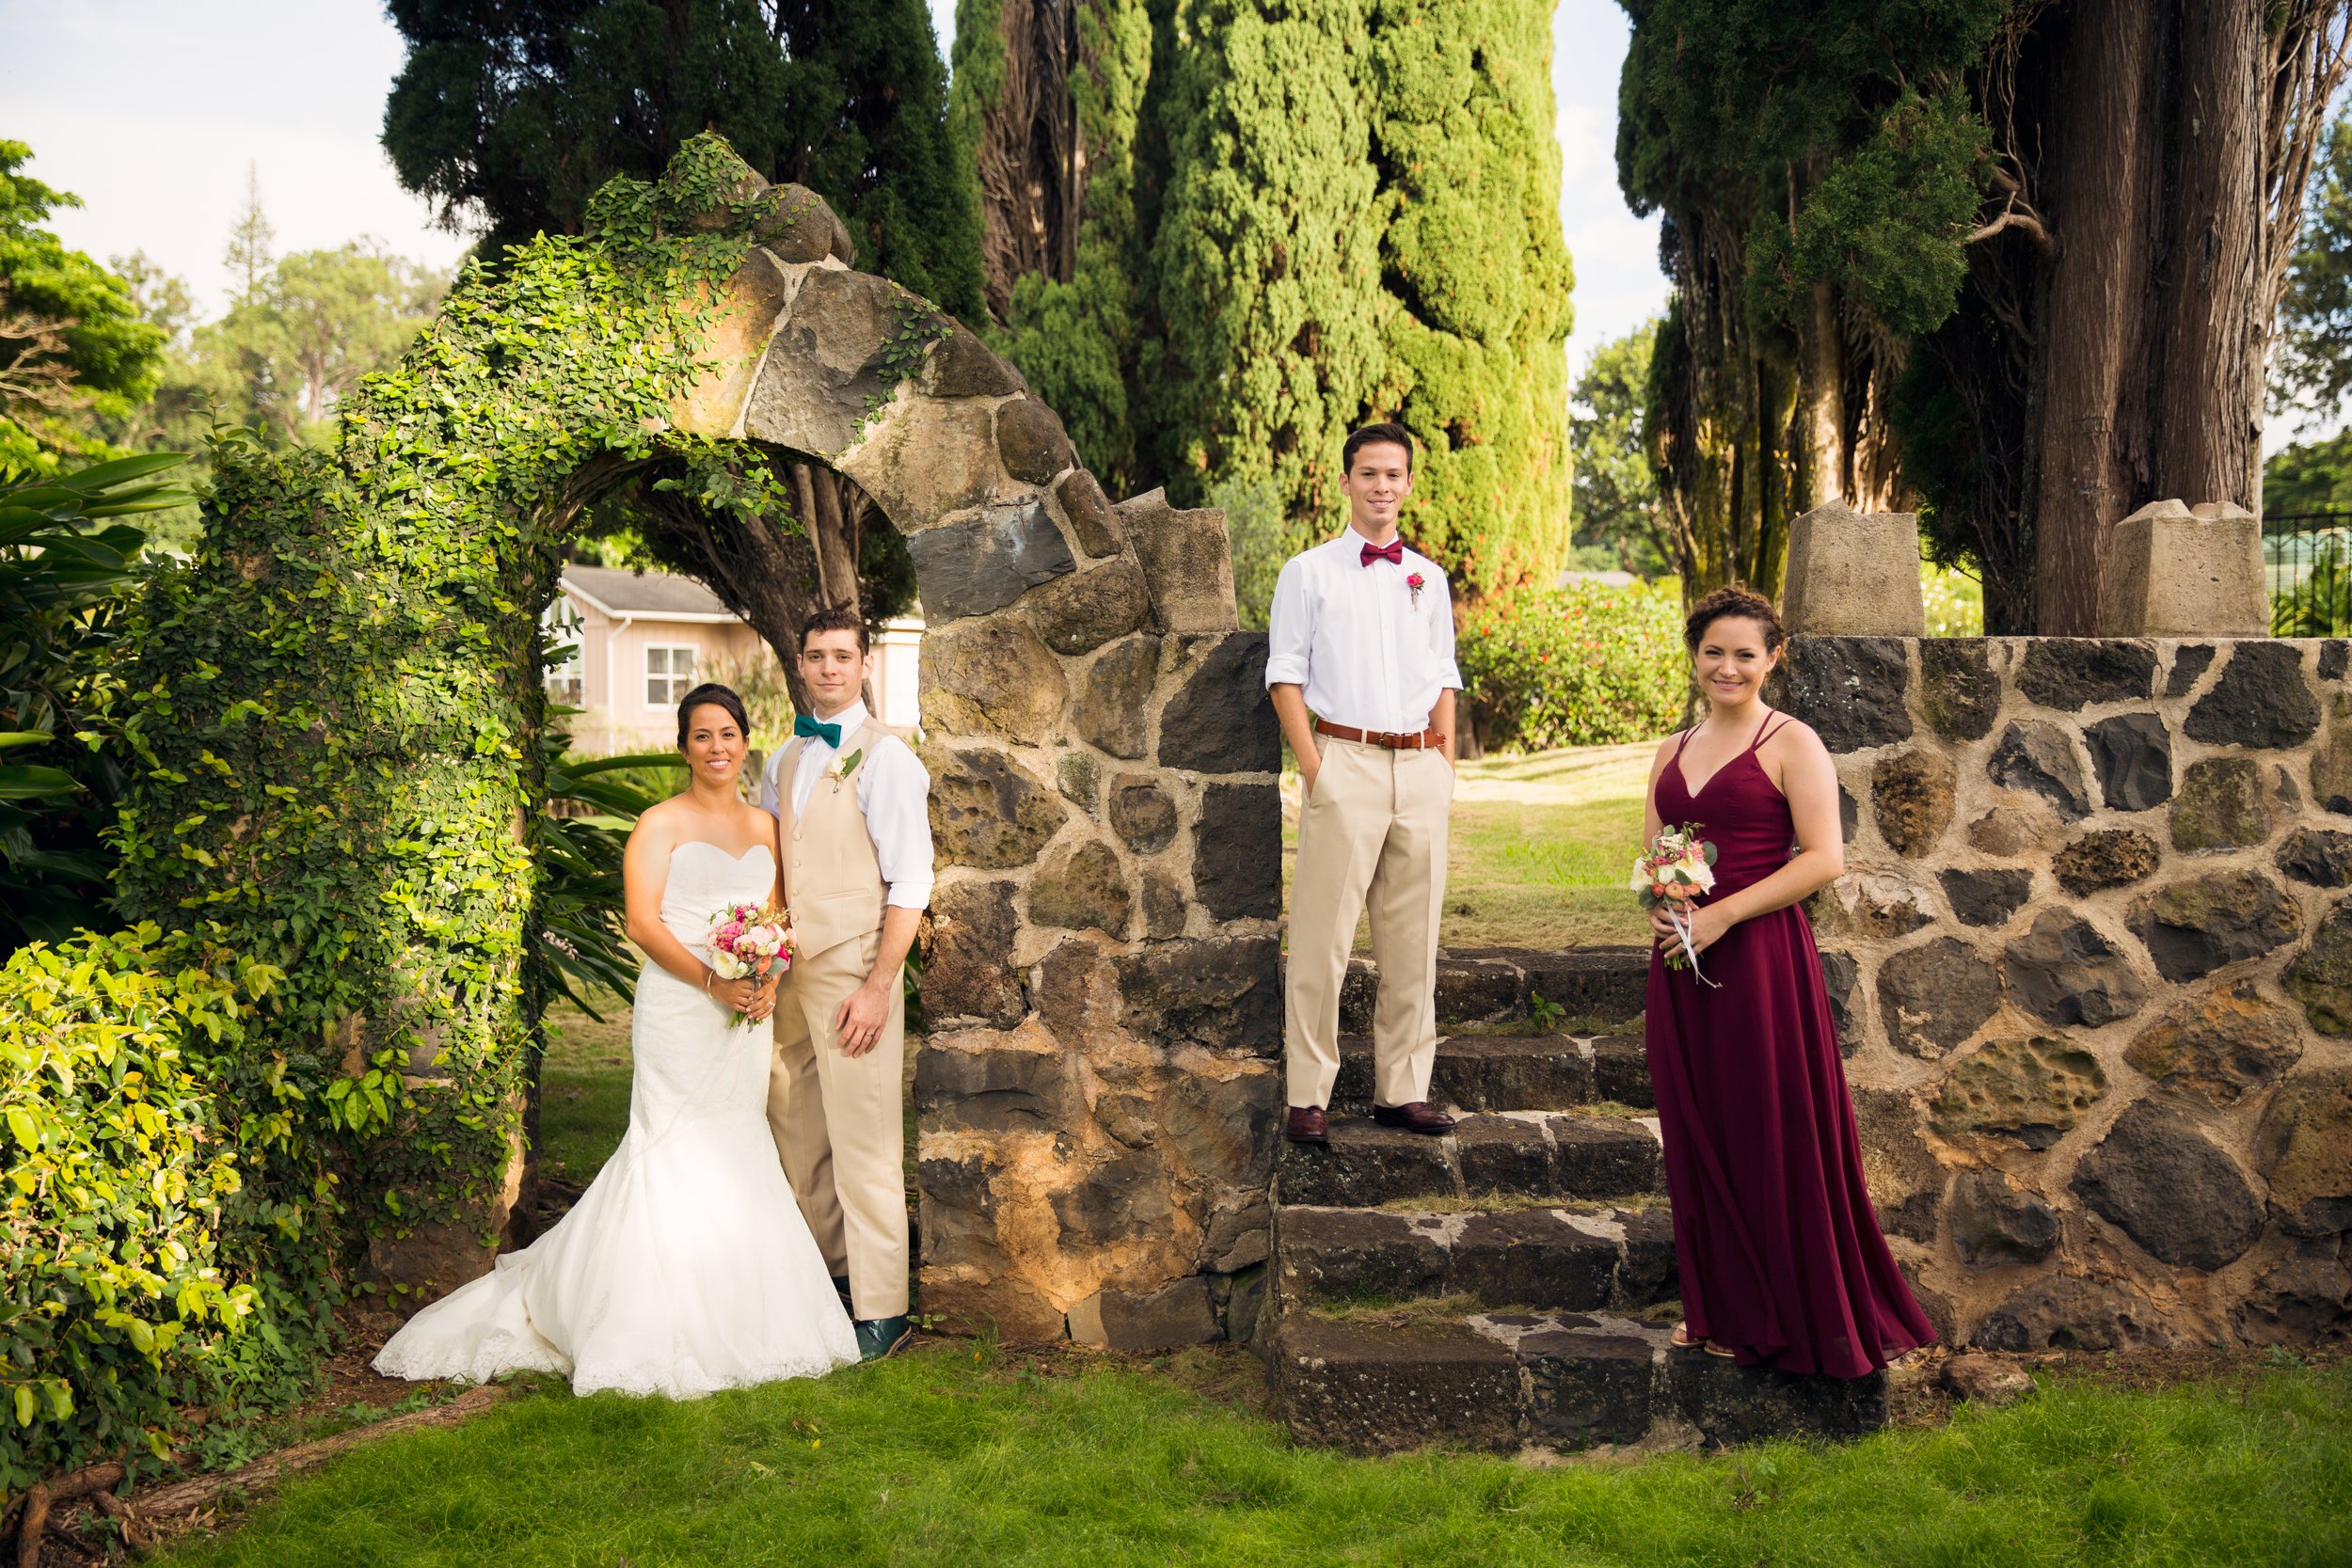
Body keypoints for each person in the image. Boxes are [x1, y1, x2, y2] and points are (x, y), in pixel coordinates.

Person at [374, 684, 858, 1396]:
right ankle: (638, 1313)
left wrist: (766, 975)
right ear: (683, 746)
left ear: (746, 739)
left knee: (738, 1144)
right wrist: (713, 980)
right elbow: (642, 923)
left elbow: (775, 913)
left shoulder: (765, 828)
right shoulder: (659, 823)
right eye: (701, 735)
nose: (717, 746)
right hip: (681, 1008)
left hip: (746, 1012)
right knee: (668, 1145)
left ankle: (744, 1307)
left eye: (728, 733)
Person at [1643, 587, 1935, 1376]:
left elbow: (1823, 858)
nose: (1727, 667)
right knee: (1699, 1131)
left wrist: (1723, 915)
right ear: (1695, 654)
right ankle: (1714, 1305)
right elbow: (1657, 850)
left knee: (1765, 1127)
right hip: (1680, 960)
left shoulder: (1791, 740)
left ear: (1773, 658)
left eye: (1745, 653)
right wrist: (1666, 904)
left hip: (1760, 958)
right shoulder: (1671, 749)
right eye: (1714, 651)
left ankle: (1780, 1304)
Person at [1267, 420, 1461, 1146]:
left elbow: (1444, 675)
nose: (1382, 485)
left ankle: (1401, 1089)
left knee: (1414, 939)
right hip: (1343, 762)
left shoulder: (1429, 578)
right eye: (1369, 473)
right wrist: (1314, 770)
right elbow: (1285, 675)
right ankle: (1308, 1092)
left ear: (1410, 484)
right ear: (1345, 481)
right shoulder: (1307, 572)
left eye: (1394, 474)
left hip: (1420, 767)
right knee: (1322, 939)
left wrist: (1445, 766)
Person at [760, 608, 933, 1362]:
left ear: (865, 665)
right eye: (816, 656)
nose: (828, 668)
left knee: (864, 1145)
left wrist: (878, 985)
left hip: (855, 970)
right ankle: (835, 1277)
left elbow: (912, 881)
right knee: (797, 1134)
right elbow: (774, 863)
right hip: (789, 969)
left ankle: (885, 1310)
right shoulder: (784, 759)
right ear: (799, 665)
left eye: (842, 656)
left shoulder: (888, 758)